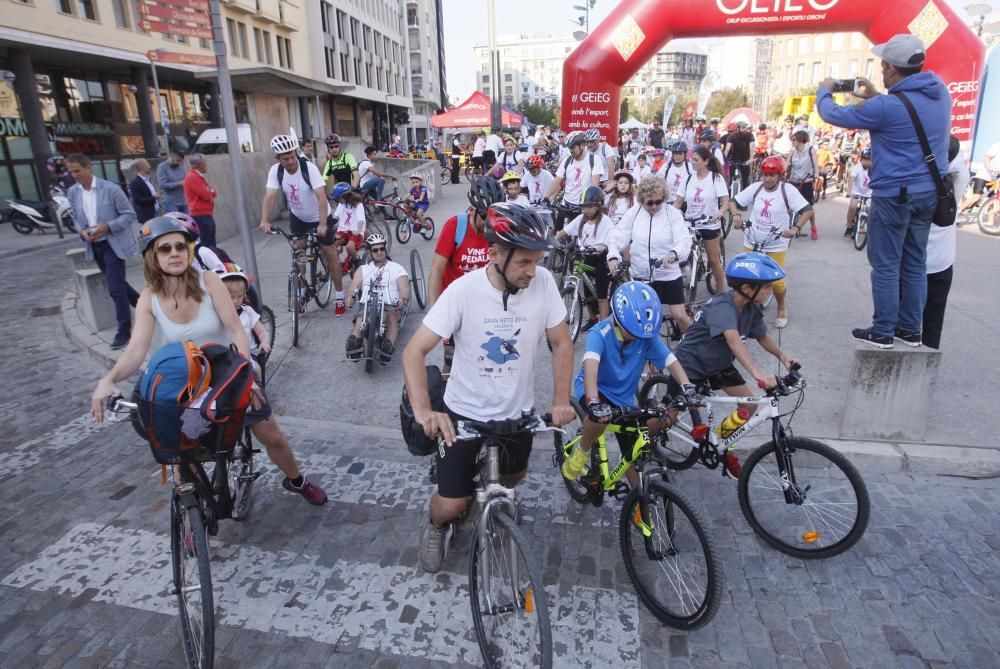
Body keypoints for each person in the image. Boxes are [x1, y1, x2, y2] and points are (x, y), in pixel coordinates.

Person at [89, 217, 327, 505]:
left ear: (189, 250)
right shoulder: (149, 298)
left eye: (180, 246)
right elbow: (136, 350)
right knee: (179, 450)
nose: (174, 253)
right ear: (153, 257)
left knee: (272, 435)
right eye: (165, 249)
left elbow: (236, 328)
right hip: (186, 384)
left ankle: (296, 480)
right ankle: (191, 514)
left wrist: (247, 374)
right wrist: (107, 380)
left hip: (226, 373)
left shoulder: (209, 281)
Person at [402, 203, 575, 573]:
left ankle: (485, 496)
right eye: (524, 262)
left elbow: (561, 342)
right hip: (464, 414)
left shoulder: (543, 284)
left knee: (514, 479)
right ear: (495, 254)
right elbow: (414, 351)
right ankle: (435, 525)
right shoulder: (463, 291)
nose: (533, 271)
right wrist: (424, 411)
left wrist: (560, 401)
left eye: (537, 261)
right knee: (452, 504)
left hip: (517, 414)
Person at [817, 33, 951, 348]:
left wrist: (825, 91)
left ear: (891, 68)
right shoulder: (940, 93)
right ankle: (909, 329)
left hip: (895, 195)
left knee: (887, 263)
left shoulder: (885, 108)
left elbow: (832, 114)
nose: (880, 70)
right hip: (929, 192)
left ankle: (883, 330)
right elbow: (905, 106)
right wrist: (876, 94)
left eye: (883, 65)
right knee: (915, 260)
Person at [661, 252, 799, 478]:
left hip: (719, 364)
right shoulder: (722, 306)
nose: (770, 292)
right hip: (690, 366)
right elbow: (733, 340)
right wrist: (757, 374)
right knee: (669, 417)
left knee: (750, 405)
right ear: (747, 287)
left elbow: (762, 336)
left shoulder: (751, 309)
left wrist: (784, 357)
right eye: (766, 287)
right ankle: (643, 441)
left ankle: (722, 444)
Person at [560, 281, 698, 487]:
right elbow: (591, 368)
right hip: (595, 388)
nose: (638, 338)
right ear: (616, 320)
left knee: (633, 452)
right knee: (598, 419)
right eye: (632, 333)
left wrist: (687, 387)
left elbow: (670, 361)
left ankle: (637, 502)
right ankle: (583, 449)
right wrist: (594, 401)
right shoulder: (599, 334)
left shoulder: (644, 335)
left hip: (623, 396)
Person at [259, 134, 346, 315]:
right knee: (298, 253)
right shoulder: (276, 171)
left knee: (329, 252)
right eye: (285, 159)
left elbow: (322, 198)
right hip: (298, 217)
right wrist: (264, 220)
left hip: (319, 215)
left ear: (296, 153)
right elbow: (270, 196)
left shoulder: (309, 168)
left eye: (292, 156)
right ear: (278, 159)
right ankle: (301, 293)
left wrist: (322, 224)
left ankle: (339, 296)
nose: (290, 161)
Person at [728, 155, 814, 329]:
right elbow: (733, 202)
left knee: (776, 281)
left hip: (776, 241)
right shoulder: (756, 188)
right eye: (765, 175)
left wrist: (795, 228)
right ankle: (742, 309)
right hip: (753, 238)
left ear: (779, 175)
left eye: (772, 175)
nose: (767, 179)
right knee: (744, 276)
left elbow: (808, 210)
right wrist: (736, 214)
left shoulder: (787, 190)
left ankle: (781, 308)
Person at [65, 152, 141, 350]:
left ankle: (124, 331)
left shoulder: (111, 189)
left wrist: (107, 226)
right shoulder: (73, 192)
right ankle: (146, 307)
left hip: (113, 244)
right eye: (71, 171)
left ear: (89, 167)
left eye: (77, 171)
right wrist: (82, 231)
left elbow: (129, 214)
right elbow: (75, 218)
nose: (74, 175)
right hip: (94, 245)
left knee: (115, 289)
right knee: (119, 285)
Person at [609, 176, 693, 331]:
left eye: (659, 201)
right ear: (641, 200)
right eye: (649, 202)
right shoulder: (634, 213)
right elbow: (616, 237)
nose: (654, 206)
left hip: (667, 273)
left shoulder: (672, 213)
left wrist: (674, 253)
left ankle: (696, 345)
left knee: (679, 315)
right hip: (641, 274)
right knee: (642, 320)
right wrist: (613, 256)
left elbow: (684, 240)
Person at [922, 136, 969, 350]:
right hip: (942, 259)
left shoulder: (919, 178)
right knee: (934, 319)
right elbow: (960, 169)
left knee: (903, 319)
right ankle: (927, 364)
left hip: (914, 261)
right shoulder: (956, 179)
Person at [556, 186, 615, 329]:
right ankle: (593, 319)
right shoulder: (580, 220)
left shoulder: (605, 222)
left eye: (590, 206)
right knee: (588, 294)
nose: (586, 209)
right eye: (584, 207)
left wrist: (601, 247)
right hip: (586, 257)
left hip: (601, 259)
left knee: (601, 296)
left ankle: (604, 326)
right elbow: (564, 231)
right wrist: (553, 240)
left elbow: (610, 241)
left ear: (599, 205)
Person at [345, 232, 410, 362]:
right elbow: (353, 287)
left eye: (382, 249)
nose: (380, 252)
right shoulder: (363, 269)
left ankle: (388, 345)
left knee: (392, 318)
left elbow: (404, 289)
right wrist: (350, 298)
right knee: (360, 319)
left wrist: (403, 299)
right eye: (375, 250)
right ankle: (354, 341)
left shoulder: (397, 268)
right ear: (370, 253)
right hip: (368, 304)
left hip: (390, 304)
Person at [673, 146, 729, 296]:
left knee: (714, 260)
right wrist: (671, 215)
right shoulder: (688, 178)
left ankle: (723, 292)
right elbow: (678, 202)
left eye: (696, 160)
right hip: (690, 223)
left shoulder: (715, 178)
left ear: (706, 161)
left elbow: (725, 201)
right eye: (692, 160)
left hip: (709, 224)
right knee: (682, 253)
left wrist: (720, 212)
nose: (692, 163)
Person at [546, 131, 605, 230]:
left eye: (573, 147)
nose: (571, 150)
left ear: (582, 146)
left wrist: (591, 206)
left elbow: (595, 186)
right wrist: (546, 198)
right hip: (565, 206)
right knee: (558, 235)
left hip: (583, 208)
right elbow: (556, 181)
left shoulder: (594, 160)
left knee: (580, 240)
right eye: (569, 148)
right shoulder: (567, 161)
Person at [218, 263, 271, 362]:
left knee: (256, 371)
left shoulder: (248, 311)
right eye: (231, 297)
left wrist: (265, 342)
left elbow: (262, 332)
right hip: (226, 356)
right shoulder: (216, 314)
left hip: (249, 354)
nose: (235, 301)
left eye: (239, 296)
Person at [786, 130, 819, 239]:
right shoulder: (792, 151)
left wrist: (816, 175)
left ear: (800, 140)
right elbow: (786, 165)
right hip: (794, 180)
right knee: (788, 203)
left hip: (806, 181)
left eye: (794, 139)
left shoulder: (810, 150)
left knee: (808, 207)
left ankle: (813, 227)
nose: (792, 141)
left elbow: (815, 164)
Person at [331, 181, 367, 275]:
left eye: (339, 198)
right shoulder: (341, 204)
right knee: (332, 245)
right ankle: (336, 265)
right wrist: (327, 224)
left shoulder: (358, 205)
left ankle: (356, 261)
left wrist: (358, 230)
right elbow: (336, 217)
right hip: (343, 231)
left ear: (346, 196)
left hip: (355, 232)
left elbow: (360, 220)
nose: (338, 201)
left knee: (349, 247)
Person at [183, 153, 217, 248]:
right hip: (200, 214)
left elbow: (213, 192)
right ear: (199, 164)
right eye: (205, 162)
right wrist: (210, 191)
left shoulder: (198, 176)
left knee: (210, 241)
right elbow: (207, 194)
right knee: (208, 243)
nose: (206, 164)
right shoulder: (192, 177)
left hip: (205, 213)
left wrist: (211, 191)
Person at [960, 140, 1000, 212]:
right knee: (976, 197)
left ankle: (990, 222)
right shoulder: (998, 145)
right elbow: (986, 157)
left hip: (995, 178)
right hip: (984, 175)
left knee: (993, 199)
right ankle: (957, 213)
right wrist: (989, 167)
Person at [845, 149, 873, 236]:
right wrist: (849, 192)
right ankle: (849, 227)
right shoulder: (857, 167)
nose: (867, 162)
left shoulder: (875, 169)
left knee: (870, 211)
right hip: (857, 191)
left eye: (869, 160)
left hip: (869, 193)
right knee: (852, 206)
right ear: (861, 159)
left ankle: (861, 226)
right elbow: (852, 179)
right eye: (865, 159)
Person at [128, 158, 161, 223]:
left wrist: (159, 207)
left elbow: (150, 195)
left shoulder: (148, 180)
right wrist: (154, 198)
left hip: (156, 212)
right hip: (147, 216)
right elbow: (137, 200)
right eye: (148, 165)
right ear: (142, 167)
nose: (150, 167)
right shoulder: (135, 183)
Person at [726, 121, 754, 193]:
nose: (745, 129)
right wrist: (724, 159)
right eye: (743, 128)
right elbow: (727, 149)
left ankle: (745, 197)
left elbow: (752, 147)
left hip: (746, 159)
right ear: (738, 128)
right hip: (735, 158)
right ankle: (730, 193)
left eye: (746, 128)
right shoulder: (732, 137)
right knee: (731, 178)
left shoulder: (750, 135)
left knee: (745, 180)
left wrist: (751, 159)